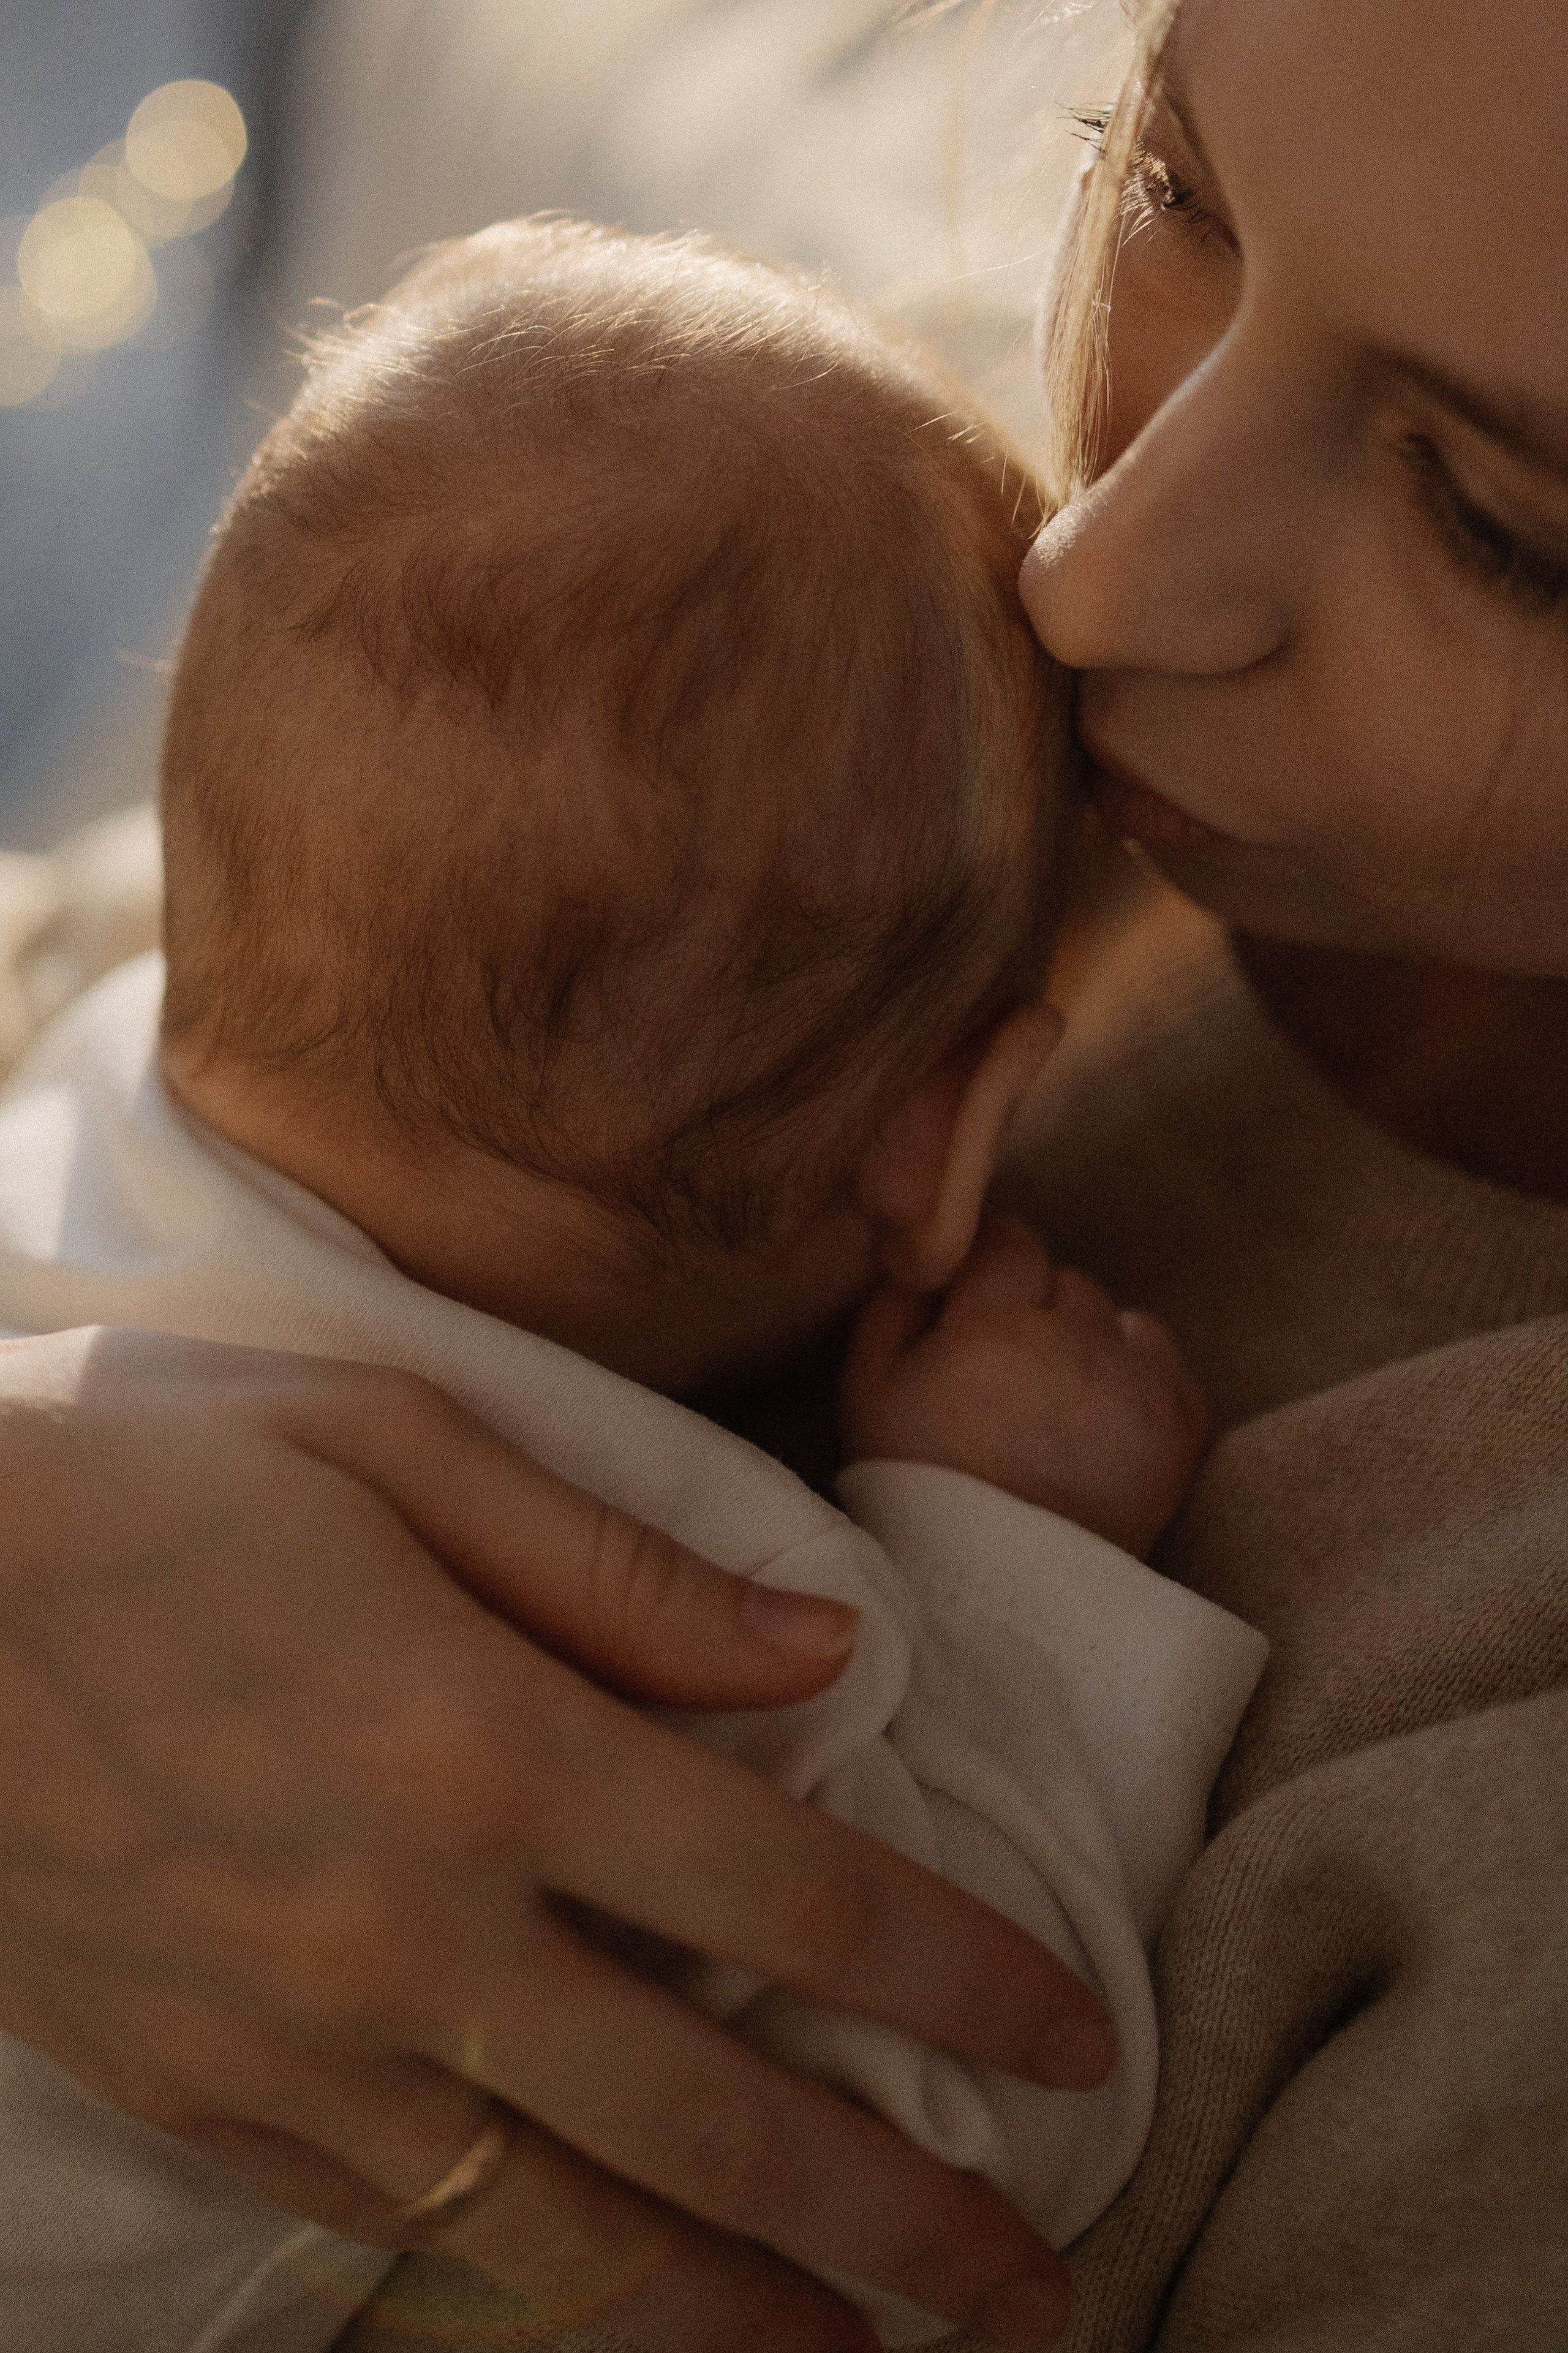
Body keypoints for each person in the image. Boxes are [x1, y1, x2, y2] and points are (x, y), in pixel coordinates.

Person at [4, 0, 1567, 2344]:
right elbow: (976, 2062)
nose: (1095, 583)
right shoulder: (820, 558)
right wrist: (1012, 1567)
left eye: (1498, 522)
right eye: (1170, 189)